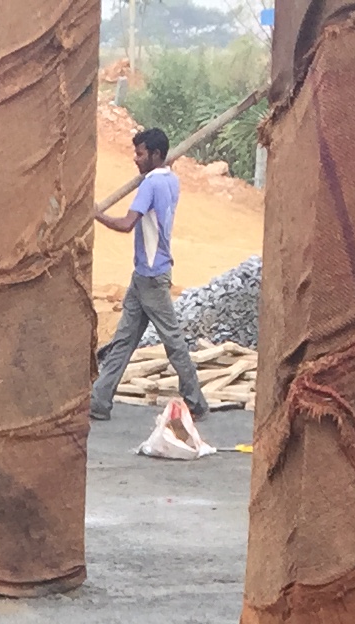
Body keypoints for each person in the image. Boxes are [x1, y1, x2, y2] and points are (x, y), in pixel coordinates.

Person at [89, 126, 209, 425]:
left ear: (156, 155)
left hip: (152, 277)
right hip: (145, 275)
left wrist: (96, 214)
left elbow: (126, 224)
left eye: (140, 154)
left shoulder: (151, 184)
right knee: (124, 340)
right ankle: (99, 401)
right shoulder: (170, 180)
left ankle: (195, 401)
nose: (135, 159)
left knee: (173, 341)